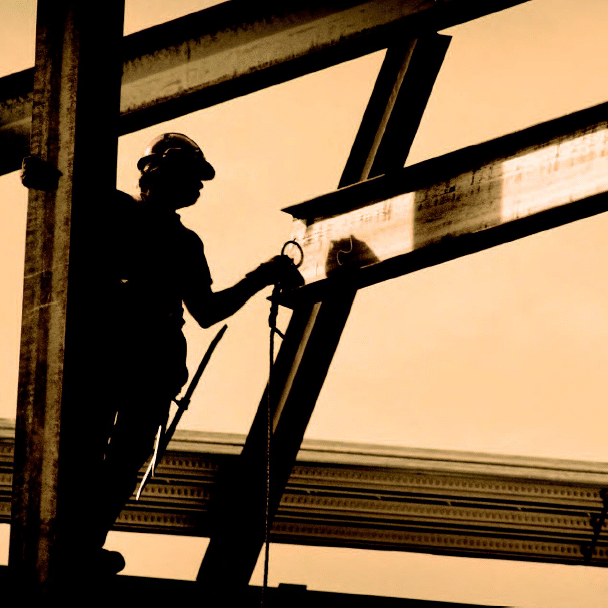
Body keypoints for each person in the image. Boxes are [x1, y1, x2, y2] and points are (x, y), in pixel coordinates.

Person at [21, 133, 303, 577]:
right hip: (105, 355)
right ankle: (66, 538)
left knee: (123, 460)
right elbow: (57, 185)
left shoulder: (186, 244)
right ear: (157, 173)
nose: (199, 188)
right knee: (86, 450)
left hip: (151, 366)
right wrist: (42, 176)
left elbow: (207, 311)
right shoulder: (110, 206)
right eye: (192, 177)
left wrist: (262, 275)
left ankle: (85, 543)